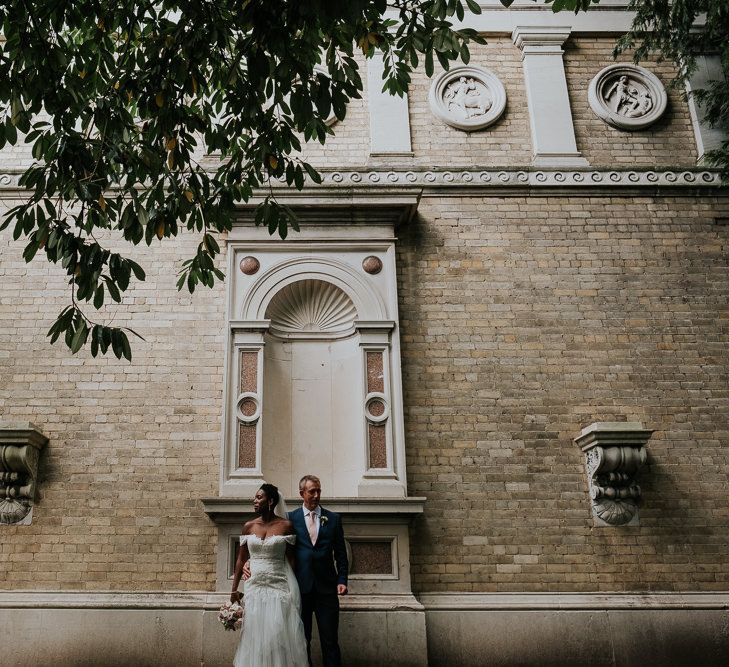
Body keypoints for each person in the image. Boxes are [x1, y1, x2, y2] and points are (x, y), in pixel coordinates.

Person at [230, 483, 308, 667]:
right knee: (255, 636)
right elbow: (241, 560)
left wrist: (294, 588)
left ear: (271, 501)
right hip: (254, 588)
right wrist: (233, 590)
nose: (254, 501)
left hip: (279, 587)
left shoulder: (286, 526)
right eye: (255, 497)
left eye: (259, 497)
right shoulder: (248, 526)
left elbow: (291, 560)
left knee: (278, 635)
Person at [288, 475, 348, 667]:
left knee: (330, 641)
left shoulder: (333, 519)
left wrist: (342, 580)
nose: (316, 495)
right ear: (302, 493)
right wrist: (250, 563)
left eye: (318, 490)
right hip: (301, 588)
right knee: (302, 641)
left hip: (327, 589)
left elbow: (341, 554)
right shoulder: (291, 518)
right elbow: (280, 550)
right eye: (311, 491)